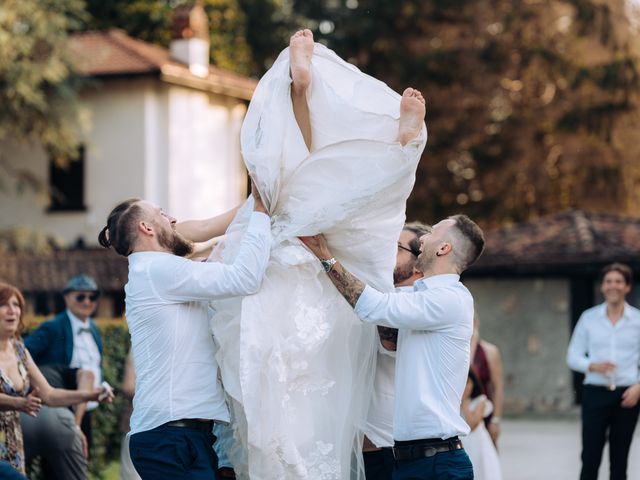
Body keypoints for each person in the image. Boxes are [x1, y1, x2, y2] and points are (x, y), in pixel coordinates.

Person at [209, 29, 427, 479]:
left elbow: (198, 231)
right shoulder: (266, 208)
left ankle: (313, 98)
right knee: (339, 206)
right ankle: (396, 146)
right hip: (304, 278)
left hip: (281, 267)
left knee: (310, 190)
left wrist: (179, 239)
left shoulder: (257, 209)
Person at [97, 182, 271, 479]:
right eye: (162, 214)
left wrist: (255, 200)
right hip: (169, 438)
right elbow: (245, 278)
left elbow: (204, 240)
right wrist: (260, 215)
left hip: (184, 435)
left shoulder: (160, 271)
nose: (173, 219)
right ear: (146, 228)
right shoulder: (157, 270)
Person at [300, 213, 485, 480]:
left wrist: (325, 256)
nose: (424, 238)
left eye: (432, 233)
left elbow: (372, 306)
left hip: (436, 464)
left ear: (444, 248)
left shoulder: (450, 299)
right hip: (411, 461)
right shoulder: (420, 297)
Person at [0, 282, 112, 475]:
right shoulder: (52, 328)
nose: (12, 311)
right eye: (4, 305)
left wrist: (90, 395)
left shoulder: (20, 350)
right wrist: (19, 402)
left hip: (13, 440)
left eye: (16, 305)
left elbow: (50, 395)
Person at [363, 222, 429, 480]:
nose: (385, 251)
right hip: (367, 444)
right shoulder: (383, 295)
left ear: (418, 266)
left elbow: (388, 339)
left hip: (389, 446)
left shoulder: (412, 303)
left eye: (397, 247)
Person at [567, 262, 640, 480]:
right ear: (602, 286)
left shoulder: (638, 320)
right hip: (595, 393)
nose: (613, 286)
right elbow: (572, 355)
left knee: (620, 459)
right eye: (608, 281)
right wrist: (592, 365)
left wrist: (639, 387)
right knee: (590, 456)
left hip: (627, 395)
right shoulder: (589, 318)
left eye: (618, 281)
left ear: (627, 287)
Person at [24, 273, 104, 448]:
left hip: (86, 408)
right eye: (81, 296)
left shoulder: (94, 329)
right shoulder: (52, 327)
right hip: (60, 406)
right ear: (67, 297)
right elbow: (23, 353)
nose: (87, 301)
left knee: (82, 457)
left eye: (93, 297)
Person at [21, 364, 95, 480]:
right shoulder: (59, 368)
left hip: (24, 416)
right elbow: (88, 376)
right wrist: (77, 426)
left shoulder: (20, 363)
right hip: (60, 419)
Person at [460, 370, 502, 480]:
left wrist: (464, 402)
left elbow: (472, 424)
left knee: (481, 470)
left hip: (478, 444)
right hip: (462, 443)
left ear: (473, 384)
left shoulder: (481, 401)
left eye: (468, 382)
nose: (465, 386)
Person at [470, 315, 504, 446]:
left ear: (477, 322)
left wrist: (495, 419)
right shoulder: (455, 349)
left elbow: (498, 387)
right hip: (462, 413)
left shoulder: (490, 351)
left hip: (485, 413)